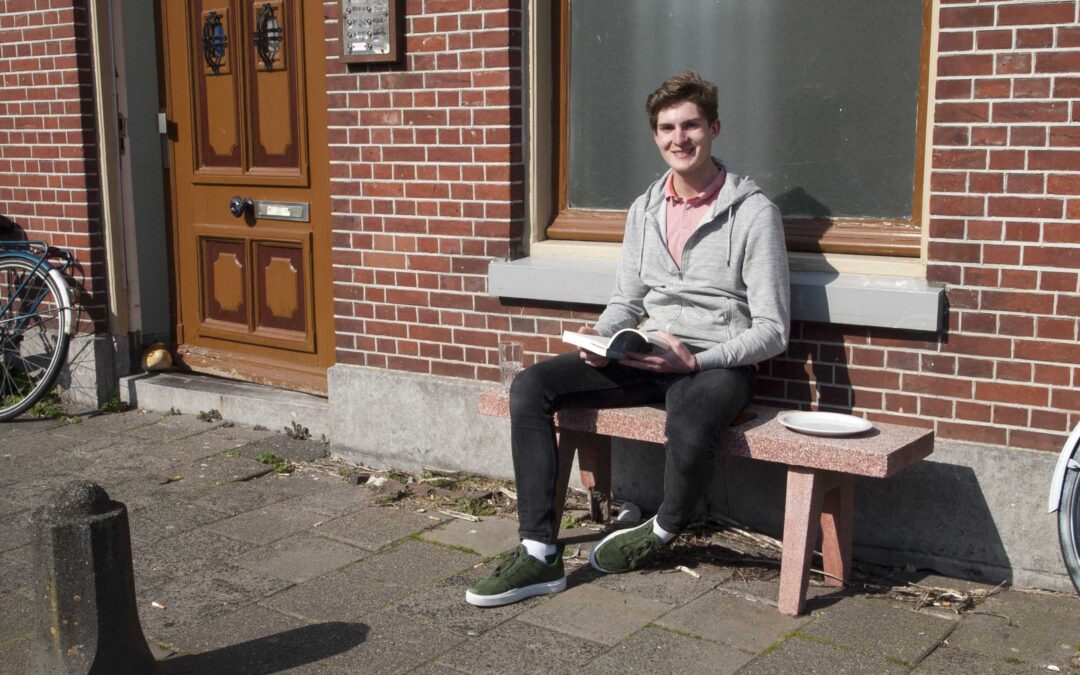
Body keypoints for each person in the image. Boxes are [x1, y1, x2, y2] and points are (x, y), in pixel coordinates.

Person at [466, 71, 790, 608]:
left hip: (716, 365)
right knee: (531, 386)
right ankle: (539, 551)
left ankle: (662, 530)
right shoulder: (644, 209)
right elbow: (626, 300)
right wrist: (601, 336)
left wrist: (697, 362)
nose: (679, 139)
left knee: (688, 422)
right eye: (667, 128)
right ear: (655, 135)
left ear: (714, 128)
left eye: (690, 126)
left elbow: (773, 330)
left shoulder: (754, 213)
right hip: (646, 355)